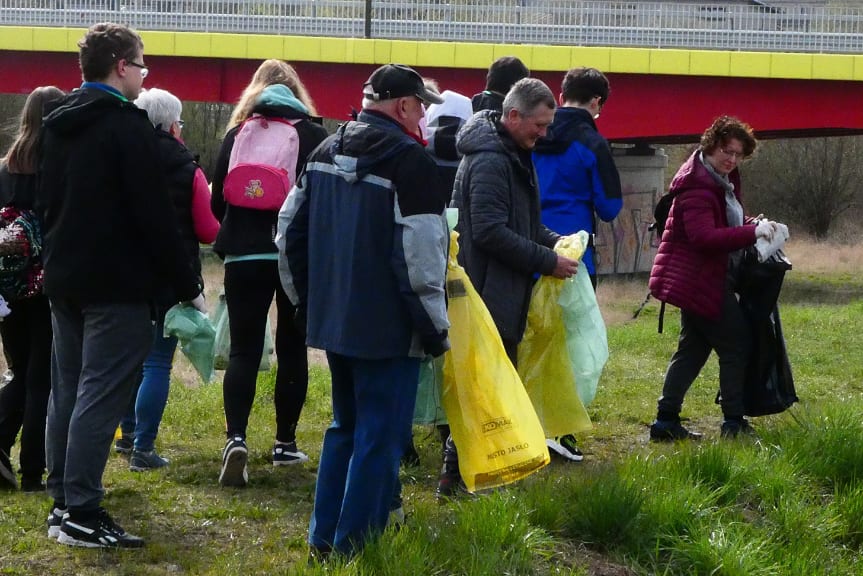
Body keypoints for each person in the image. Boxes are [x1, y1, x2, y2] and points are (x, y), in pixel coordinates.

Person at [36, 22, 203, 548]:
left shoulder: (56, 123)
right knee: (99, 396)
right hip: (117, 285)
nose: (145, 75)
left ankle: (63, 501)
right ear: (122, 67)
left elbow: (47, 203)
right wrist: (185, 280)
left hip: (65, 278)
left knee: (67, 392)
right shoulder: (127, 127)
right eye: (143, 64)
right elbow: (154, 215)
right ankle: (82, 510)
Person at [277, 63, 449, 558]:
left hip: (335, 321)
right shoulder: (412, 163)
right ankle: (356, 550)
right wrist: (435, 328)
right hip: (392, 327)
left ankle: (322, 543)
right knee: (380, 438)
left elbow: (289, 233)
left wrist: (306, 303)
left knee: (344, 429)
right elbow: (422, 257)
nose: (423, 118)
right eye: (421, 107)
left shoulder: (325, 149)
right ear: (402, 106)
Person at [444, 78, 579, 496]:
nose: (543, 133)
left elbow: (525, 225)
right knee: (483, 387)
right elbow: (487, 231)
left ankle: (480, 471)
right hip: (487, 292)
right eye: (538, 125)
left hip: (506, 291)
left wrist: (557, 241)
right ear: (513, 115)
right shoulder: (490, 161)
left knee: (493, 385)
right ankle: (457, 476)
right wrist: (546, 261)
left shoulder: (515, 154)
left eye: (547, 126)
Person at [210, 59, 328, 487]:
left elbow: (215, 202)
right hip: (292, 256)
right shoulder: (313, 134)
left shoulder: (237, 133)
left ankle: (235, 438)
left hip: (243, 254)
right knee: (292, 346)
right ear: (297, 94)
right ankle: (284, 443)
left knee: (243, 349)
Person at [648, 116, 778, 441]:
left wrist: (752, 222)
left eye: (737, 154)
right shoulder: (697, 186)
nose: (731, 159)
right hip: (700, 280)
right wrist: (751, 233)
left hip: (703, 277)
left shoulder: (719, 179)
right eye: (726, 150)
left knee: (692, 350)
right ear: (710, 145)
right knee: (737, 344)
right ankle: (733, 423)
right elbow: (703, 237)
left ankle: (665, 422)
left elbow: (721, 221)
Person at [116, 88, 220, 471]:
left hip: (125, 276)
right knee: (158, 362)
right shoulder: (186, 168)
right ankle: (144, 448)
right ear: (172, 123)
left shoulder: (123, 159)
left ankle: (126, 436)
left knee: (129, 361)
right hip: (170, 278)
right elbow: (208, 231)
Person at [532, 67, 622, 462]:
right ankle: (560, 431)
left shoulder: (531, 131)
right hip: (572, 258)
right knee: (571, 348)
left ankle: (523, 424)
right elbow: (610, 206)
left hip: (525, 248)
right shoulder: (592, 142)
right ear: (597, 102)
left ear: (561, 92)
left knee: (526, 339)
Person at [0, 85, 64, 492]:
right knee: (42, 380)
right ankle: (32, 473)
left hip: (7, 288)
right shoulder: (57, 167)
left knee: (19, 372)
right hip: (47, 288)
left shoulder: (4, 168)